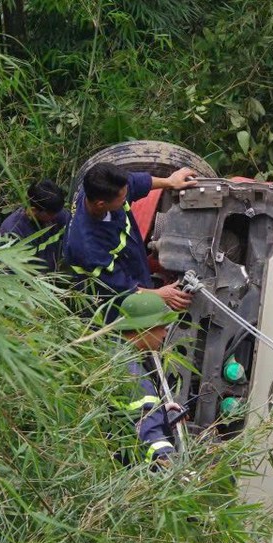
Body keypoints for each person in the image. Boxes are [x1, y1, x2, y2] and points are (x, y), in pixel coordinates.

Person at [63, 162, 197, 321]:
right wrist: (160, 295)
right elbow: (118, 288)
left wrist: (169, 181)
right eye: (123, 198)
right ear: (101, 204)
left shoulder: (100, 186)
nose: (127, 196)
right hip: (107, 296)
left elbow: (133, 182)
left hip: (130, 256)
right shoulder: (86, 247)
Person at [112, 291, 184, 464]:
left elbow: (130, 416)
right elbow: (148, 434)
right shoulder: (134, 374)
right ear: (143, 329)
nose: (165, 335)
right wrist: (171, 466)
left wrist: (160, 411)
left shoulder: (114, 356)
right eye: (161, 328)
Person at [0, 179, 69, 272]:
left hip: (49, 278)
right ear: (33, 210)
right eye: (51, 214)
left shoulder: (54, 212)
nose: (56, 216)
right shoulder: (12, 231)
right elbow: (5, 272)